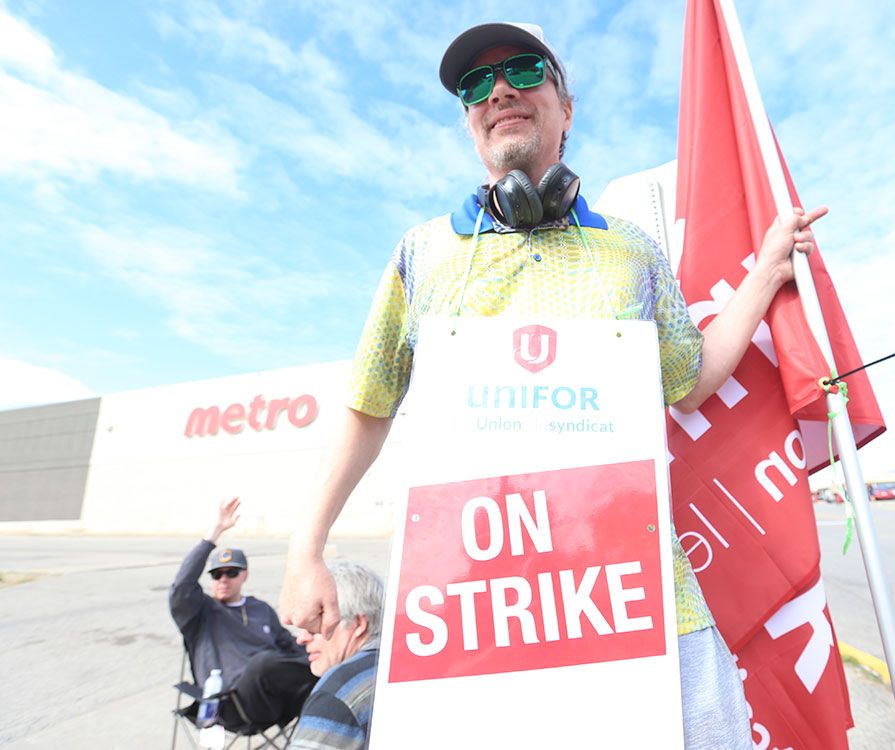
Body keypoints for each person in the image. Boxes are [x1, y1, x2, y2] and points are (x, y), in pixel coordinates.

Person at [280, 22, 826, 748]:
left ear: (566, 108)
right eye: (475, 84)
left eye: (523, 70)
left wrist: (764, 273)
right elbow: (368, 404)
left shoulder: (630, 251)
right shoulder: (424, 252)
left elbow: (688, 382)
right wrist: (304, 549)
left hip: (644, 606)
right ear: (469, 122)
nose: (498, 89)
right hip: (474, 617)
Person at [170, 497, 317, 730]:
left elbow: (291, 647)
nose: (223, 579)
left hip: (277, 700)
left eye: (231, 573)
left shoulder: (261, 610)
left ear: (244, 575)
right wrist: (214, 532)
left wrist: (322, 656)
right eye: (217, 574)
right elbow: (181, 586)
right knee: (264, 662)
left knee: (324, 664)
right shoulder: (200, 612)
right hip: (231, 704)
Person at [288, 561, 384, 750]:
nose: (302, 638)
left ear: (357, 624)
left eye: (315, 626)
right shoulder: (407, 668)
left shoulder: (340, 690)